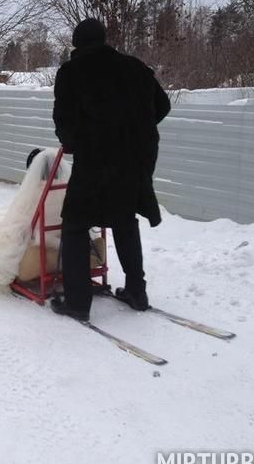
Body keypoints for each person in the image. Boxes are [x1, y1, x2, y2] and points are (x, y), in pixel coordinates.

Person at [51, 18, 171, 321]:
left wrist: (76, 142)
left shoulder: (72, 72)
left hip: (96, 159)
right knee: (124, 219)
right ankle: (136, 292)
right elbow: (163, 106)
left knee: (76, 225)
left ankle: (77, 303)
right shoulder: (135, 67)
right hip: (136, 159)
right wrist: (135, 129)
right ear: (104, 39)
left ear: (77, 44)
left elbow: (64, 120)